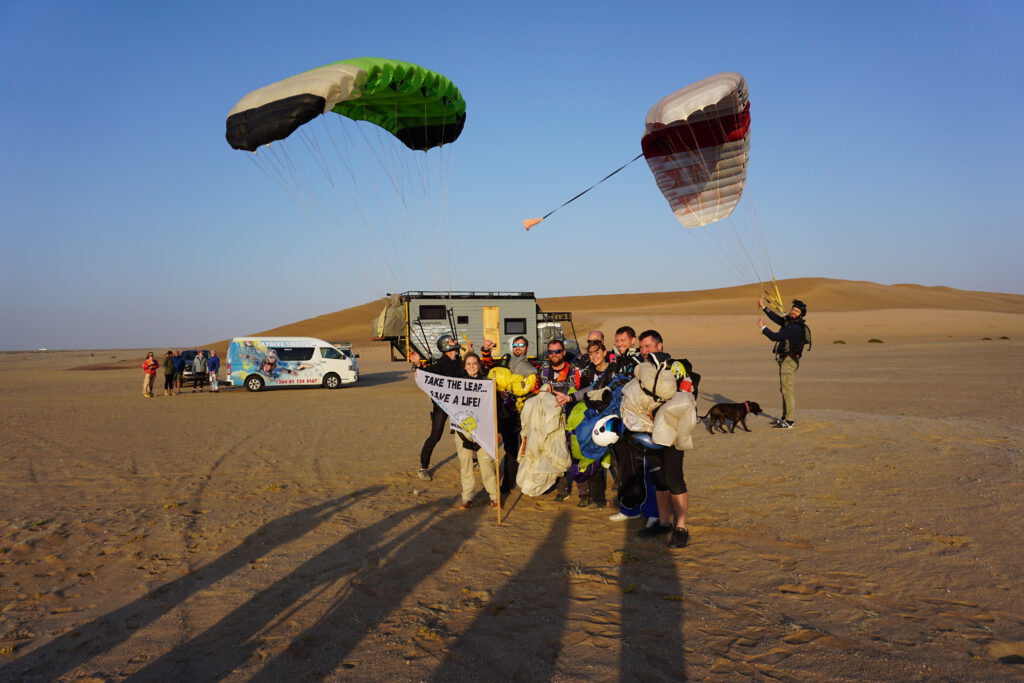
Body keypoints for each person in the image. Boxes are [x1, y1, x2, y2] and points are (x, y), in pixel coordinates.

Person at [621, 330, 697, 549]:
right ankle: (664, 523)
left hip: (671, 433)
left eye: (648, 346)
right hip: (648, 433)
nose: (644, 351)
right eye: (642, 347)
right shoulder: (642, 369)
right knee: (659, 480)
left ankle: (681, 527)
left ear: (660, 346)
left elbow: (684, 396)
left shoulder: (676, 367)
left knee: (674, 479)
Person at [480, 335, 539, 493]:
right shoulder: (504, 361)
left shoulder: (531, 367)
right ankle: (508, 482)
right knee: (511, 448)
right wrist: (486, 350)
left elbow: (535, 388)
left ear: (527, 348)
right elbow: (489, 366)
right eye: (515, 345)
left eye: (521, 345)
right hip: (506, 413)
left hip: (525, 413)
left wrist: (514, 390)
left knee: (529, 448)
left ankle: (528, 479)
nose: (518, 347)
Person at [409, 332, 464, 481]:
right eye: (452, 341)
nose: (455, 342)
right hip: (441, 406)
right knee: (435, 435)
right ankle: (423, 467)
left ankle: (474, 461)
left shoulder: (459, 362)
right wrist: (417, 364)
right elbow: (425, 375)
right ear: (446, 346)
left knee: (468, 432)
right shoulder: (440, 365)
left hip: (459, 405)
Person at [452, 353, 501, 510]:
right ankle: (467, 497)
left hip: (483, 431)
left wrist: (497, 431)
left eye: (474, 363)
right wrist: (419, 368)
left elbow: (495, 410)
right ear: (464, 366)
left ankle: (494, 496)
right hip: (463, 431)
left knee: (487, 464)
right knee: (465, 464)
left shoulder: (487, 384)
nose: (471, 366)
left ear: (479, 365)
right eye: (468, 364)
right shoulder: (457, 385)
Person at [757, 298, 808, 429]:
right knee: (784, 390)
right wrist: (764, 307)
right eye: (793, 309)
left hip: (789, 361)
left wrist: (763, 327)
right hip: (785, 360)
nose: (794, 312)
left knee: (787, 391)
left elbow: (776, 337)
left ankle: (790, 421)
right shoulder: (789, 322)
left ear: (801, 314)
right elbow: (778, 319)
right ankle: (785, 417)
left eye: (797, 311)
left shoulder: (795, 327)